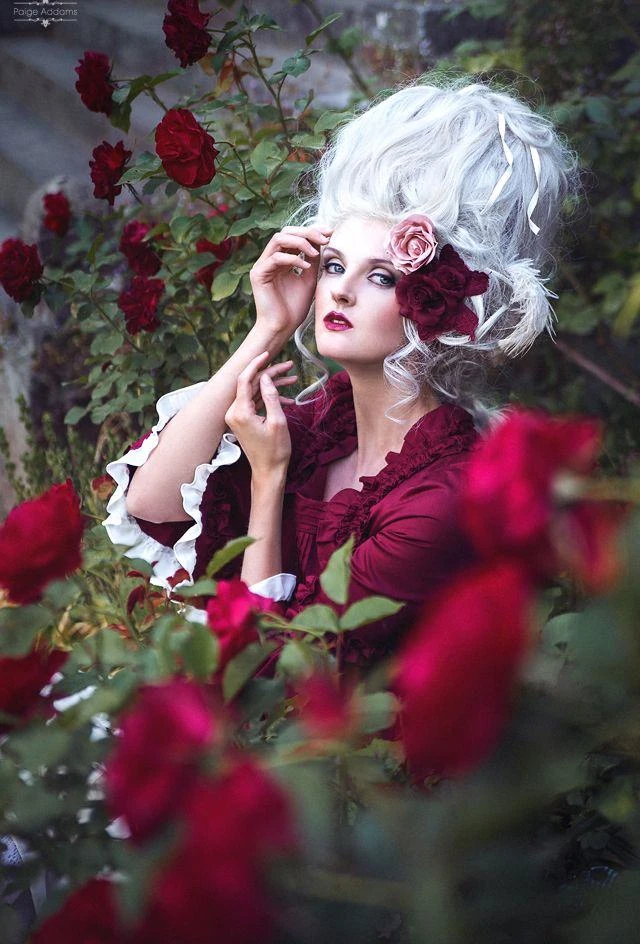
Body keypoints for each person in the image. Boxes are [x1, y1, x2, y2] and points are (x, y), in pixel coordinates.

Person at [103, 79, 576, 666]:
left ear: (435, 302)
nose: (341, 291)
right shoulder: (326, 425)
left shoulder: (440, 497)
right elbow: (153, 503)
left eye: (380, 276)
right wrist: (270, 327)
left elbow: (277, 673)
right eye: (333, 265)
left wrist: (268, 480)